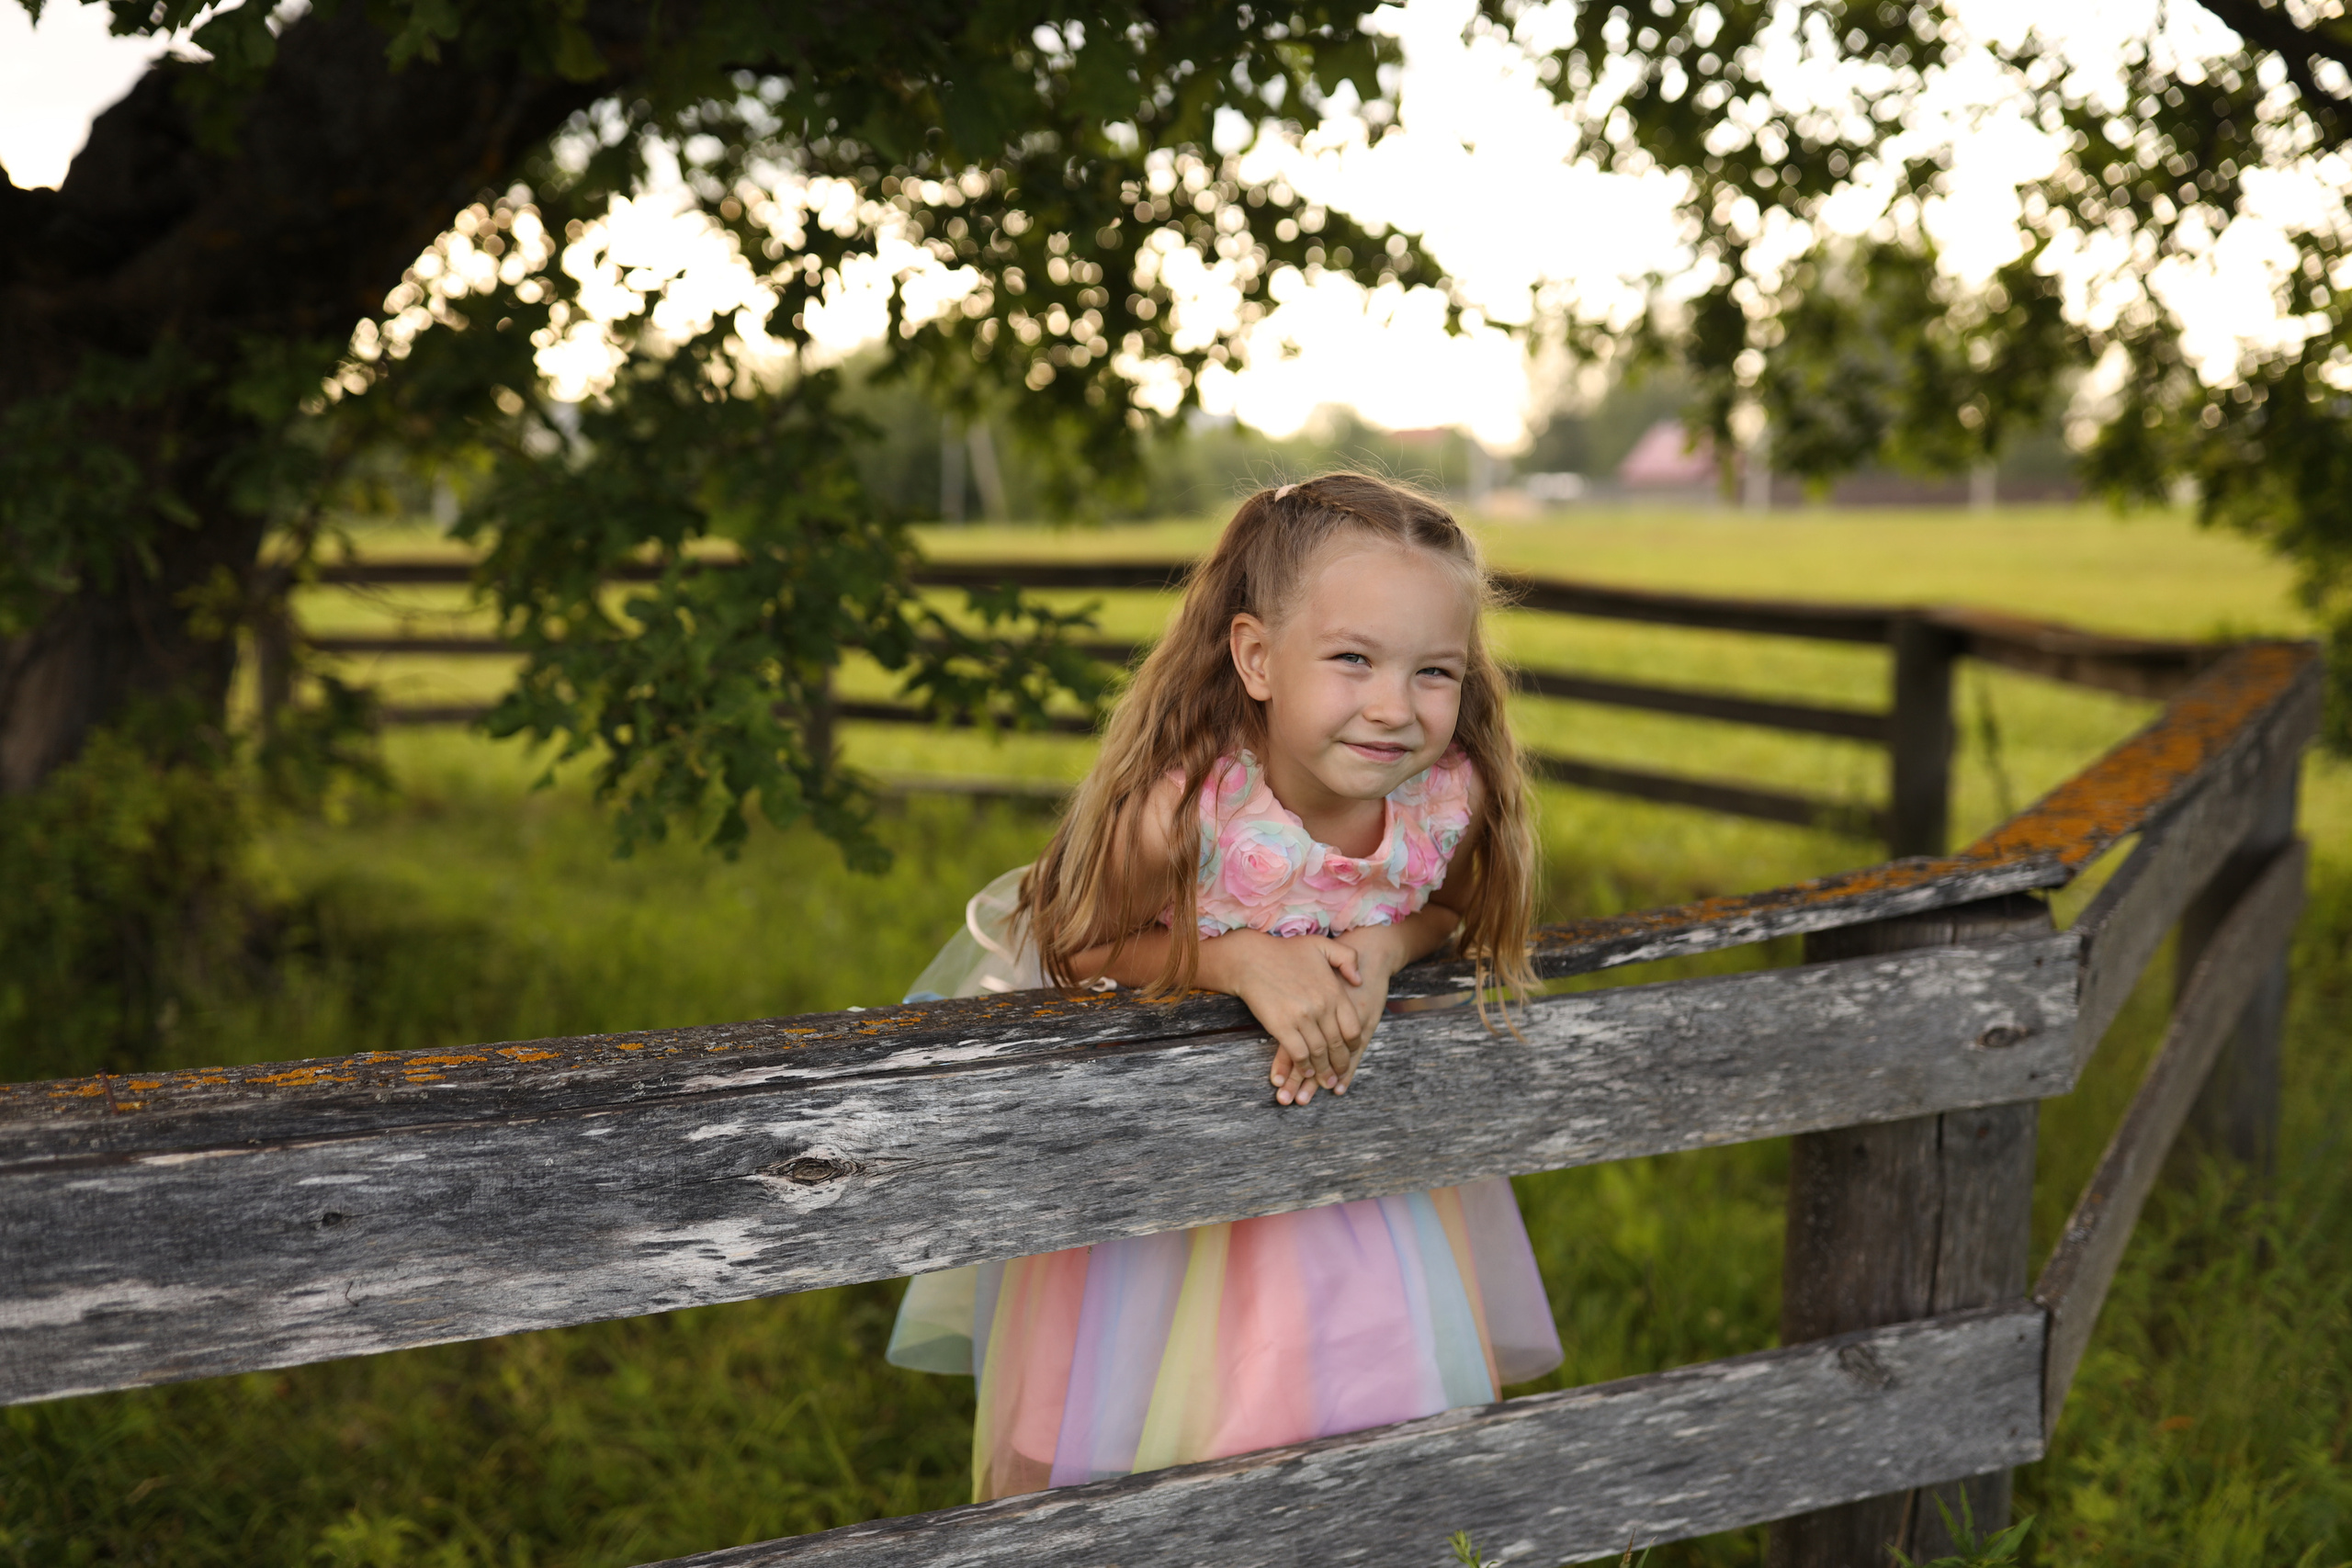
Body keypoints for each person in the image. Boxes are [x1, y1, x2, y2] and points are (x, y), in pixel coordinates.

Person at [887, 472, 1563, 1501]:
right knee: (1161, 1457)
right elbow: (1072, 941)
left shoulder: (1444, 795)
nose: (1394, 707)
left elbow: (1455, 911)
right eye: (1352, 660)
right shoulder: (1186, 809)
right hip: (1165, 1203)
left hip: (1357, 1189)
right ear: (1256, 657)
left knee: (1360, 1456)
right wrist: (1231, 957)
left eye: (1435, 672)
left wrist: (1382, 944)